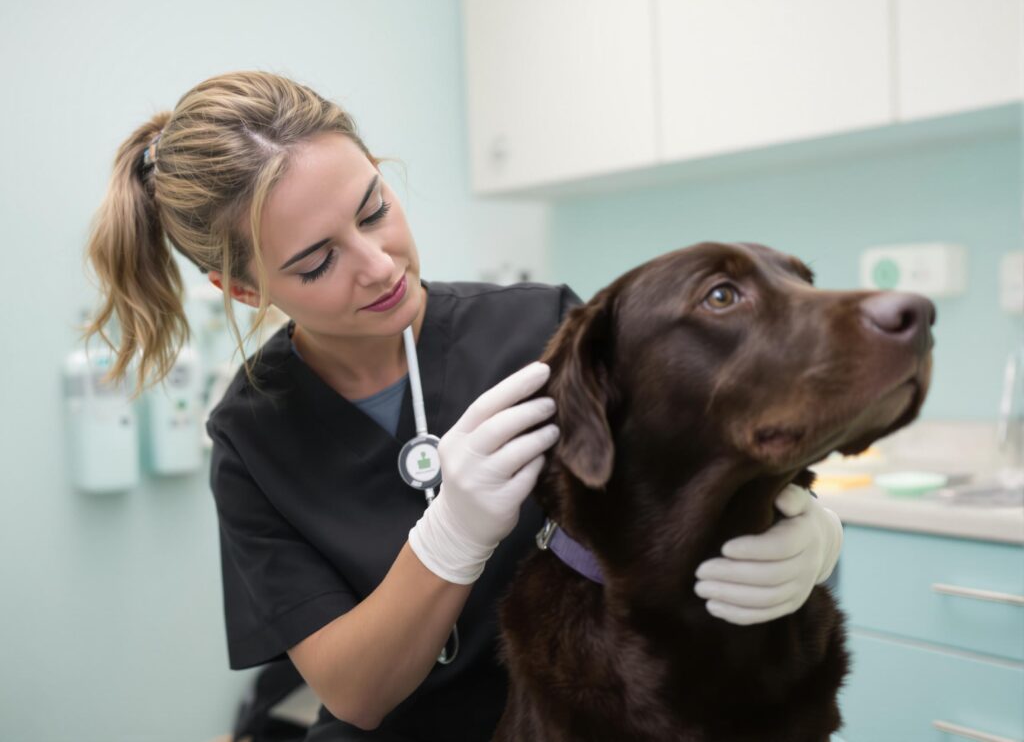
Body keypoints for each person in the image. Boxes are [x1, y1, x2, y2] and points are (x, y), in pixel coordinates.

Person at [84, 71, 844, 742]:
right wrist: (450, 535)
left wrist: (809, 535)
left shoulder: (541, 328)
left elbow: (697, 480)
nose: (379, 265)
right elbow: (357, 694)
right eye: (317, 261)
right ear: (244, 290)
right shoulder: (252, 435)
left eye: (374, 209)